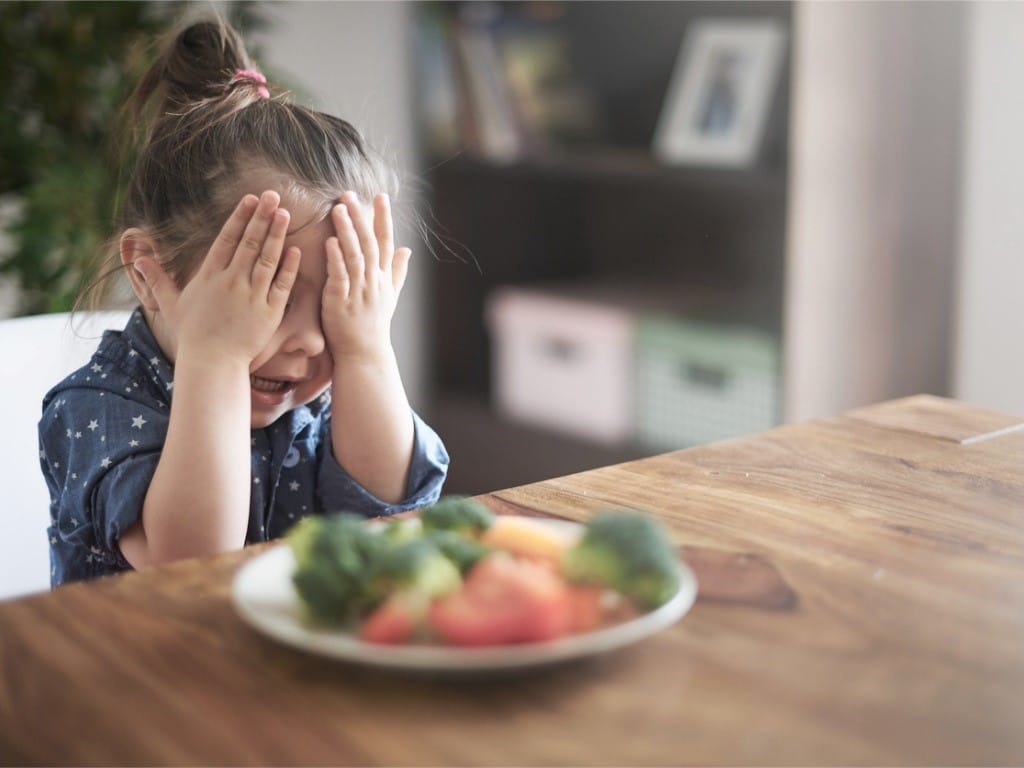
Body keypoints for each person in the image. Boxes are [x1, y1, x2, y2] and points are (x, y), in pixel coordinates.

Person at [38, 18, 449, 586]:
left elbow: (394, 509)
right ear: (148, 272)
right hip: (134, 666)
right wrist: (218, 359)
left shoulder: (327, 388)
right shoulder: (96, 406)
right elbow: (192, 561)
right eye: (271, 300)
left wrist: (365, 351)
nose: (309, 340)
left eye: (335, 306)